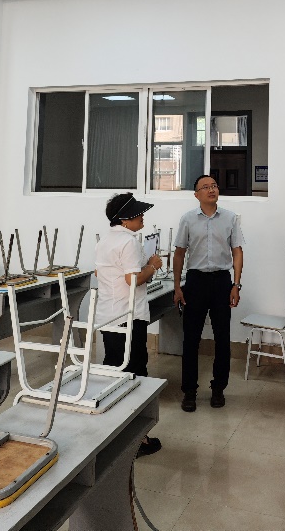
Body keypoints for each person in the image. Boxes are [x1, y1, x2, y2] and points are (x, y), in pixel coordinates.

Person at [95, 192, 164, 456]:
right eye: (138, 214)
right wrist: (153, 266)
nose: (142, 217)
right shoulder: (129, 241)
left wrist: (143, 266)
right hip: (128, 317)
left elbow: (100, 272)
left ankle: (111, 433)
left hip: (109, 315)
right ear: (125, 219)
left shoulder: (105, 240)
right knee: (135, 373)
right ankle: (137, 440)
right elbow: (133, 280)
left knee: (114, 371)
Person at [173, 174, 245, 412]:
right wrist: (177, 286)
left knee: (222, 338)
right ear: (197, 195)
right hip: (195, 282)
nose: (211, 189)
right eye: (205, 187)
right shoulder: (187, 219)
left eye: (214, 185)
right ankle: (189, 392)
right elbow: (179, 254)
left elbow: (237, 251)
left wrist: (236, 285)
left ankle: (218, 389)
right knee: (191, 339)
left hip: (222, 281)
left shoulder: (230, 218)